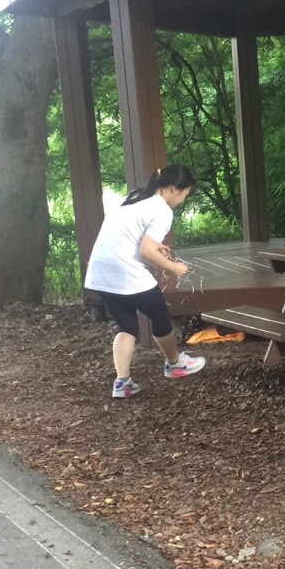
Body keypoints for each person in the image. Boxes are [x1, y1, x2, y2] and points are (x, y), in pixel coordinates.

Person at [84, 164, 206, 400]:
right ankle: (174, 364)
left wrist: (156, 248)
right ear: (174, 188)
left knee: (127, 327)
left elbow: (129, 236)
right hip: (127, 272)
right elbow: (147, 251)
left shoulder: (135, 197)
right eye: (184, 194)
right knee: (160, 317)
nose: (182, 200)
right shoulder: (162, 211)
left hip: (101, 273)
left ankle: (122, 383)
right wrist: (173, 267)